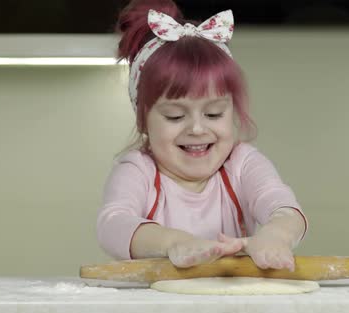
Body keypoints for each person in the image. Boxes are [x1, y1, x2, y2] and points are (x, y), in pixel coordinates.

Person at [96, 0, 308, 272]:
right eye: (175, 116)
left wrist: (275, 236)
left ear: (232, 112)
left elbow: (284, 207)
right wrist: (174, 242)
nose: (196, 129)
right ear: (143, 120)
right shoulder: (138, 170)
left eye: (214, 114)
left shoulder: (242, 164)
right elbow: (112, 224)